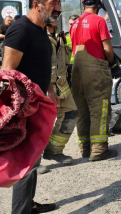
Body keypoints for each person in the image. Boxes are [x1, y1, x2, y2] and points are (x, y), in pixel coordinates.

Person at [1, 0, 61, 214]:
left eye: (58, 4)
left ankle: (29, 203)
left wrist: (49, 89)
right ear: (37, 5)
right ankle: (21, 211)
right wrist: (15, 112)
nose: (58, 9)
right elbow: (7, 71)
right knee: (26, 160)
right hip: (24, 107)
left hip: (37, 102)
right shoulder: (21, 29)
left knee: (34, 156)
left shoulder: (40, 30)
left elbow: (38, 65)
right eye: (53, 3)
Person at [70, 0, 121, 161]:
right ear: (98, 5)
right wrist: (113, 64)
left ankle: (85, 149)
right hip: (95, 69)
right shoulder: (99, 21)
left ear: (83, 4)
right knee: (99, 109)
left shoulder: (75, 23)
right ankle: (99, 150)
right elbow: (107, 48)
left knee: (82, 110)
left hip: (77, 71)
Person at [42, 21, 77, 165]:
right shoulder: (37, 34)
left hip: (61, 85)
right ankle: (33, 164)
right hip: (43, 86)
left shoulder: (61, 34)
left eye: (58, 10)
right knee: (41, 124)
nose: (56, 12)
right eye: (52, 9)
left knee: (70, 113)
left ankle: (54, 151)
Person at [65, 15, 79, 87]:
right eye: (71, 24)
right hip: (68, 67)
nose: (72, 26)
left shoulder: (83, 35)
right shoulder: (65, 36)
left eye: (75, 24)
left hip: (80, 66)